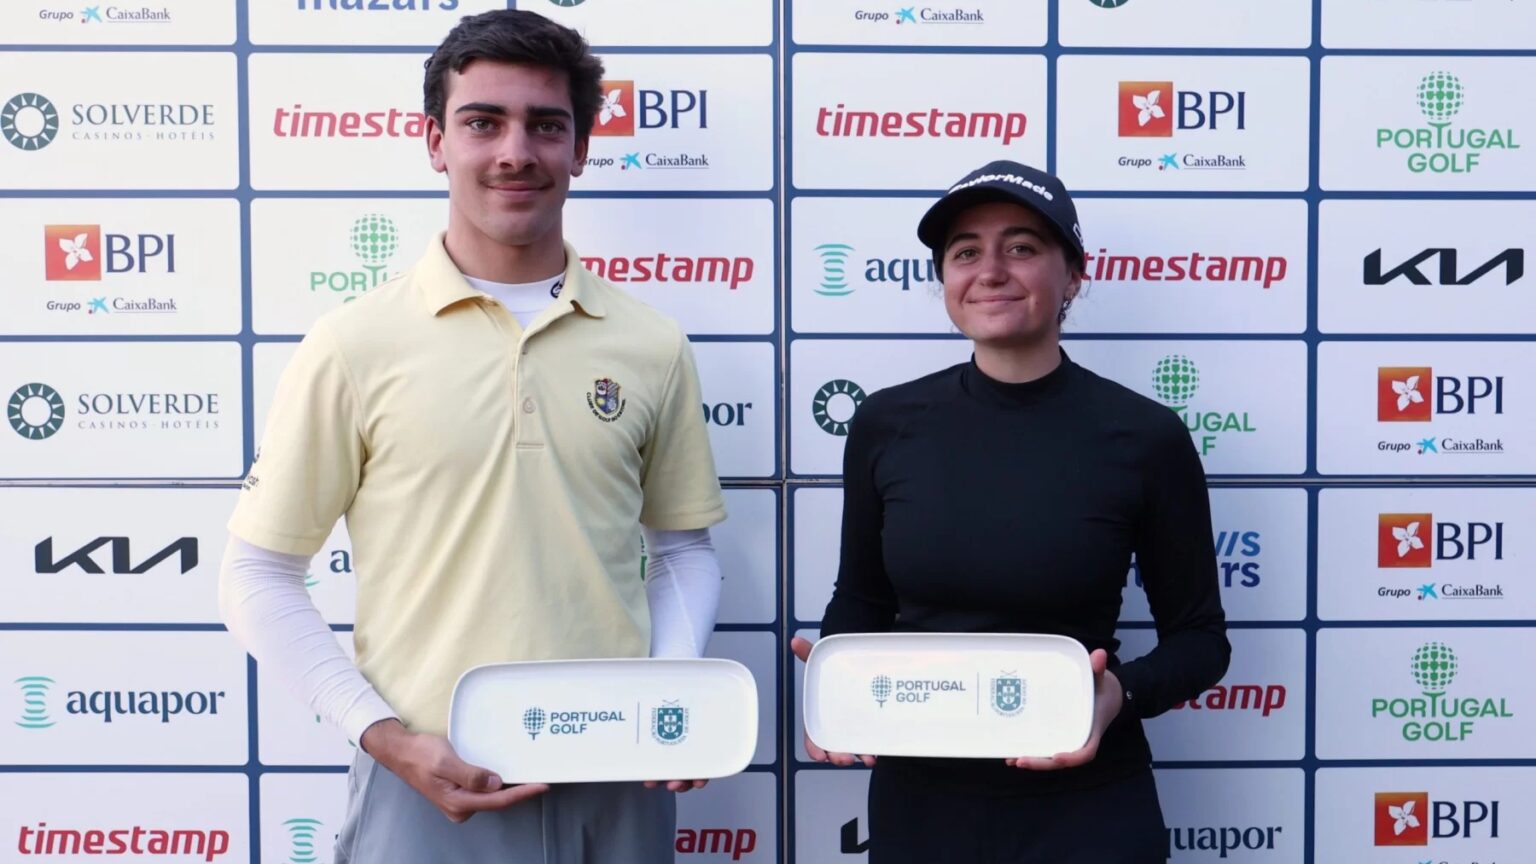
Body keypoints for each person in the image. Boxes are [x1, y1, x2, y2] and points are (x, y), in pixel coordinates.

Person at [218, 10, 728, 863]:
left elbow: (685, 553)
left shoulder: (650, 342)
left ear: (582, 149)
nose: (515, 151)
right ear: (434, 141)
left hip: (616, 785)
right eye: (483, 121)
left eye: (546, 125)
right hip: (426, 785)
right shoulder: (353, 343)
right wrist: (382, 735)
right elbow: (257, 574)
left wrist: (664, 698)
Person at [791, 160, 1231, 863]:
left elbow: (1201, 639)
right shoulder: (885, 423)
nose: (990, 269)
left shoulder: (1145, 436)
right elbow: (863, 596)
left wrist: (1119, 691)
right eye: (966, 251)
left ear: (1075, 274)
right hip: (922, 809)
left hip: (1088, 804)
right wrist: (836, 683)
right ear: (945, 281)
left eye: (1022, 247)